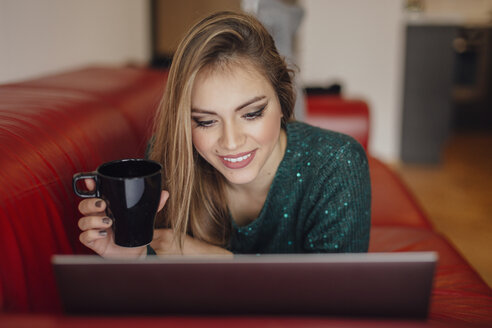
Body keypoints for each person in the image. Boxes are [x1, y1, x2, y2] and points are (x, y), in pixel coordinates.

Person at [77, 11, 371, 258]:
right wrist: (135, 256)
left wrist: (219, 260)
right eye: (205, 121)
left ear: (283, 102)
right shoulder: (168, 159)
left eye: (251, 113)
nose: (231, 142)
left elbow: (335, 308)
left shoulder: (336, 164)